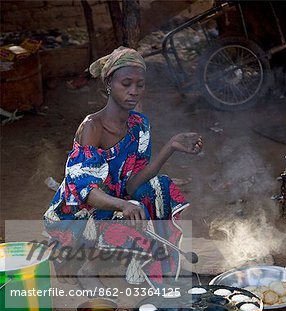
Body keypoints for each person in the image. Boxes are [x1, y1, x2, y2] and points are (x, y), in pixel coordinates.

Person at [44, 46, 203, 289]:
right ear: (109, 83)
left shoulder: (139, 125)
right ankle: (87, 268)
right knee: (119, 211)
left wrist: (170, 147)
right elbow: (86, 191)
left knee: (159, 187)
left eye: (140, 85)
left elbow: (132, 184)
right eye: (126, 83)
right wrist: (123, 205)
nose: (134, 91)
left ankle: (152, 263)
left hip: (114, 202)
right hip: (78, 213)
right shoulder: (92, 127)